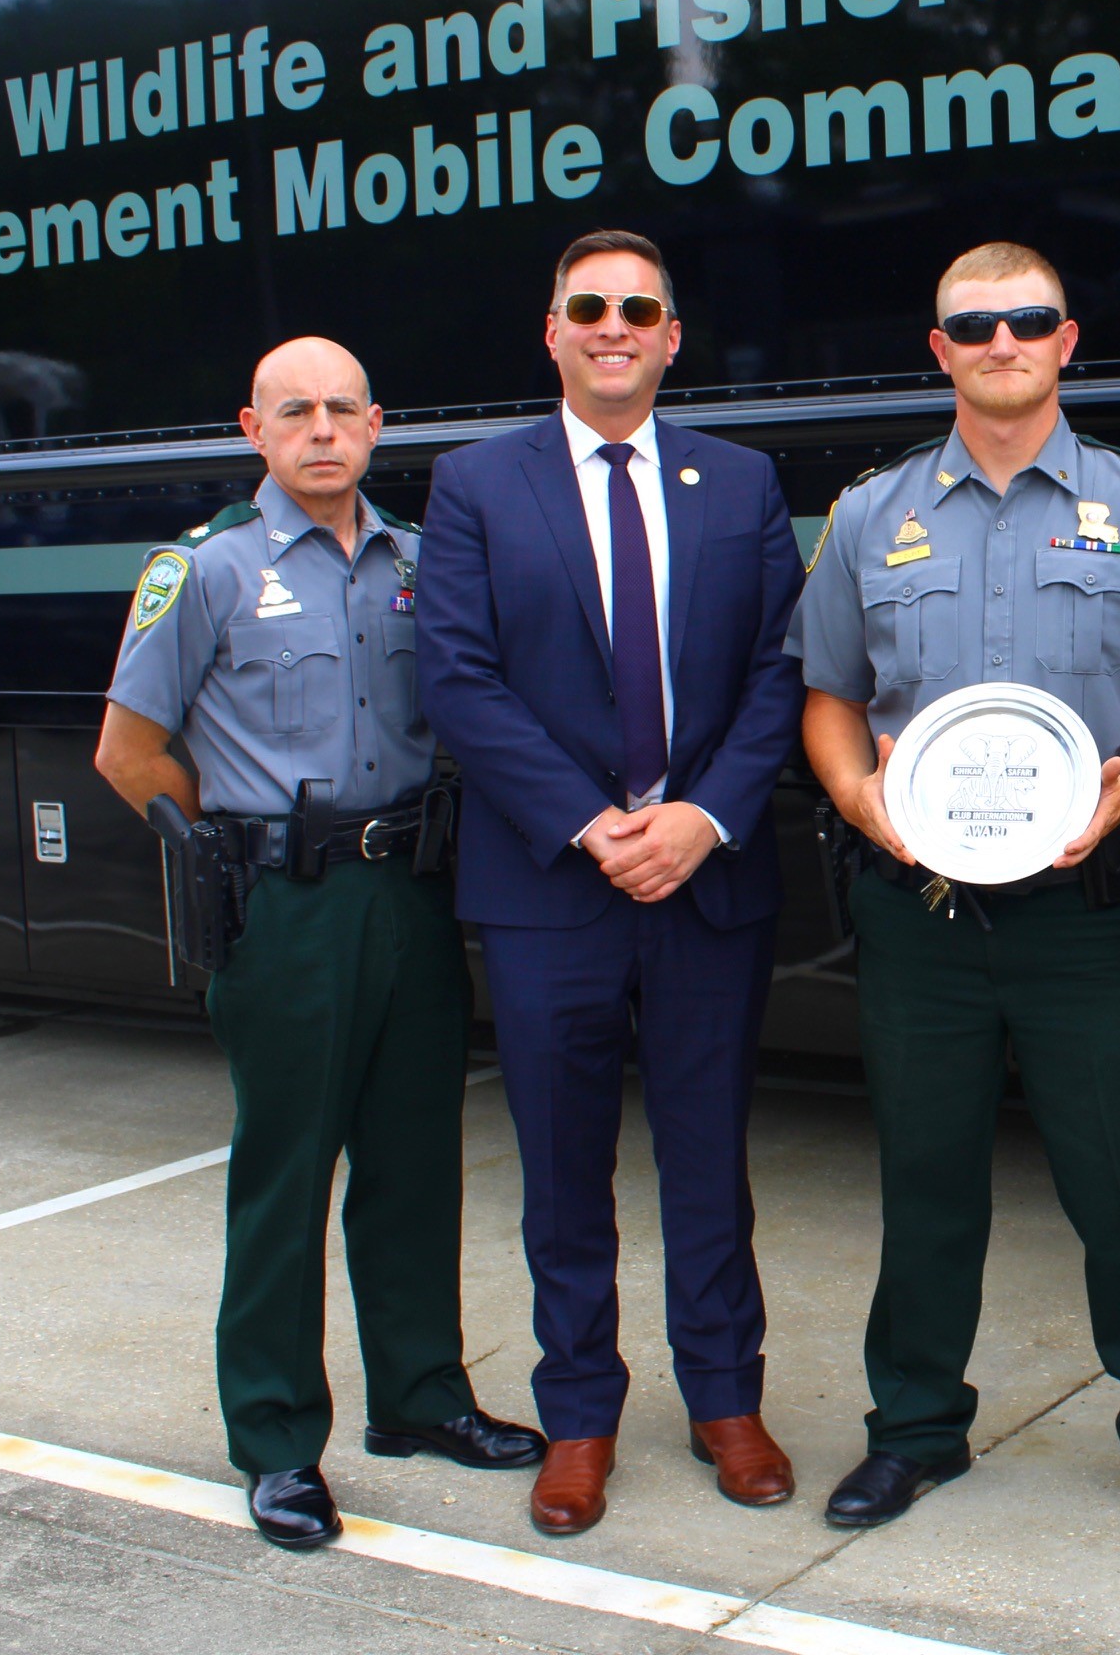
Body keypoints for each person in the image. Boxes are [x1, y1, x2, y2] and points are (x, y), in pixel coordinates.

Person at [789, 241, 1120, 1543]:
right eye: (975, 325)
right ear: (939, 350)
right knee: (927, 1181)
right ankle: (914, 1429)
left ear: (1067, 340)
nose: (1003, 342)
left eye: (1029, 320)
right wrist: (856, 794)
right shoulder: (870, 515)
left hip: (1092, 910)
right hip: (922, 914)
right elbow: (828, 695)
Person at [95, 336, 544, 1550]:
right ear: (255, 428)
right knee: (287, 1174)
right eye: (296, 411)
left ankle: (421, 1396)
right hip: (285, 905)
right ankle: (278, 1438)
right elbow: (127, 751)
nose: (323, 429)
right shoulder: (206, 570)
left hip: (410, 890)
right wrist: (221, 850)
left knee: (416, 1161)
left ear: (377, 423)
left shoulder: (422, 561)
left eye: (344, 408)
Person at [416, 231, 806, 1534]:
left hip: (706, 880)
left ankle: (726, 1399)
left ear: (672, 337)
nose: (614, 326)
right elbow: (458, 678)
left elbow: (781, 670)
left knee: (709, 1159)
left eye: (640, 308)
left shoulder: (739, 481)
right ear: (553, 331)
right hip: (550, 887)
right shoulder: (477, 484)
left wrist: (701, 817)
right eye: (589, 306)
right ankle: (579, 1413)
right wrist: (593, 825)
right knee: (562, 1170)